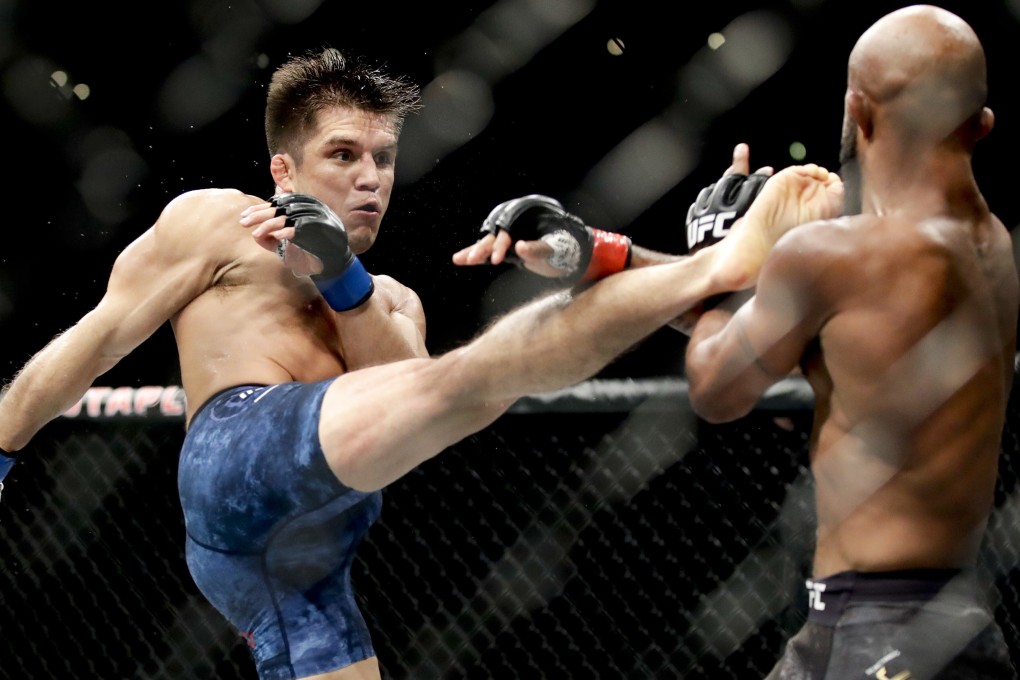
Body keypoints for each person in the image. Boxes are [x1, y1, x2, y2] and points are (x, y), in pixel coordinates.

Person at [0, 46, 843, 680]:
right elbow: (97, 340)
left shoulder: (393, 298)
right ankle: (710, 267)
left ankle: (686, 267)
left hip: (308, 567)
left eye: (383, 158)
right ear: (283, 167)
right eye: (343, 156)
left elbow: (416, 405)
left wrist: (344, 283)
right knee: (473, 375)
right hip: (238, 465)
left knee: (455, 386)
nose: (371, 179)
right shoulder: (217, 224)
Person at [682, 6, 1019, 679]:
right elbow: (806, 338)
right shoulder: (993, 248)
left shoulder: (837, 256)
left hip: (870, 632)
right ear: (981, 124)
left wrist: (725, 255)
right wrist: (600, 255)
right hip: (955, 627)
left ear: (858, 115)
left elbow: (717, 387)